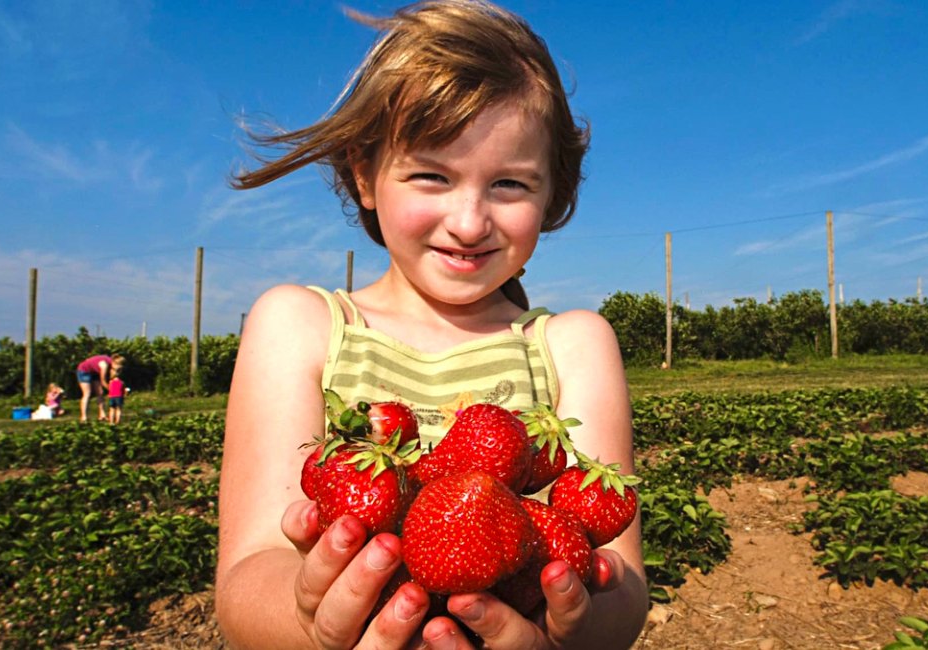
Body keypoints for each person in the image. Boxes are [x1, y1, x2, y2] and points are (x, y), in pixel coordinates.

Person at [216, 1, 648, 648]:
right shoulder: (298, 326)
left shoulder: (574, 346)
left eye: (509, 184)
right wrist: (312, 623)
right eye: (430, 176)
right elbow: (250, 573)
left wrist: (569, 633)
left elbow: (624, 585)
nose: (470, 222)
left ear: (552, 192)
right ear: (364, 174)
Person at [75, 354, 125, 423]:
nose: (118, 370)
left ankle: (102, 414)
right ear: (114, 363)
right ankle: (84, 417)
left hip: (94, 372)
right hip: (84, 370)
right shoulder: (104, 365)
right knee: (87, 393)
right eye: (118, 368)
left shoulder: (110, 362)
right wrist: (112, 391)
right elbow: (103, 381)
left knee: (100, 392)